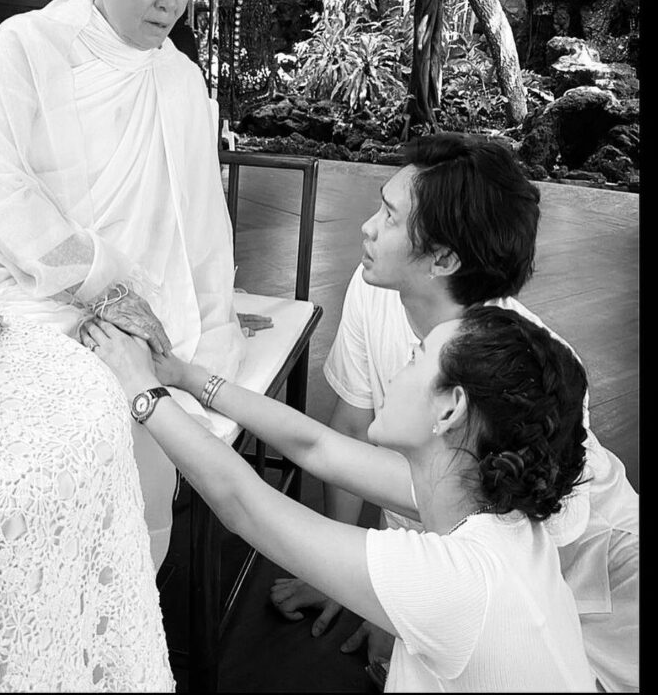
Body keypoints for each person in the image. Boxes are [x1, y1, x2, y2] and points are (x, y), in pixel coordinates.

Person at [0, 0, 268, 567]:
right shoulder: (28, 44)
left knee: (140, 381)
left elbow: (203, 223)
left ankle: (123, 579)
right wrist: (97, 285)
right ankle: (22, 563)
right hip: (16, 273)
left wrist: (212, 315)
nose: (171, 3)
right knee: (44, 380)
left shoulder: (180, 80)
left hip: (139, 289)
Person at [268, 133, 638, 693]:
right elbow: (349, 427)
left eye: (389, 217)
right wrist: (343, 579)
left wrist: (397, 610)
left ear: (442, 259)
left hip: (587, 574)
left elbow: (513, 546)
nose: (367, 228)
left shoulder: (530, 369)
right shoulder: (376, 287)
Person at [85, 304, 597, 692]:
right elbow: (318, 447)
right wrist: (180, 375)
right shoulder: (485, 501)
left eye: (416, 357)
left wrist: (140, 388)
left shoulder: (461, 584)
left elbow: (243, 505)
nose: (398, 369)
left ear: (450, 411)